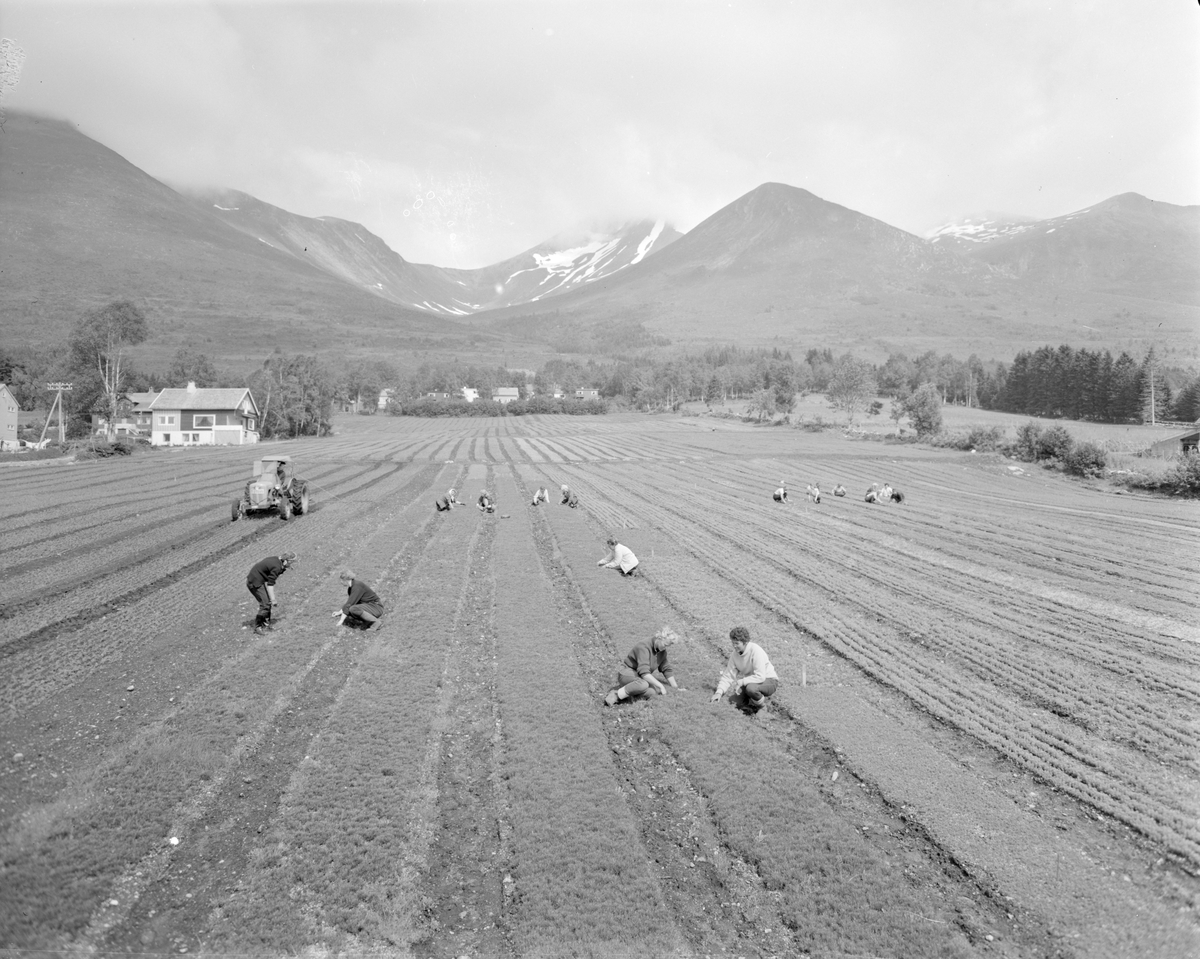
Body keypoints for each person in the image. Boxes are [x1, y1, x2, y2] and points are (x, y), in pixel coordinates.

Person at [710, 626, 779, 714]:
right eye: (733, 643)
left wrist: (742, 682)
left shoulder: (756, 651)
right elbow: (728, 675)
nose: (734, 646)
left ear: (745, 642)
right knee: (734, 701)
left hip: (769, 681)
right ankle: (751, 706)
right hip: (750, 682)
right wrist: (719, 692)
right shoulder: (734, 656)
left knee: (751, 689)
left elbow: (760, 677)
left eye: (737, 643)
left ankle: (762, 707)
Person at [604, 627, 680, 705]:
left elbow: (666, 669)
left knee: (652, 692)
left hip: (638, 675)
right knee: (643, 684)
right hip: (627, 672)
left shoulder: (662, 651)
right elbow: (644, 673)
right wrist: (661, 686)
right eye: (665, 645)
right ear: (659, 638)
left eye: (668, 646)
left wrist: (675, 687)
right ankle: (616, 693)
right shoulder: (644, 646)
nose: (665, 648)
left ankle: (627, 696)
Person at [246, 552, 296, 635]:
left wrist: (286, 567)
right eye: (291, 562)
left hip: (257, 580)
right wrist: (273, 600)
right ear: (286, 561)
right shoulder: (277, 567)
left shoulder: (277, 560)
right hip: (254, 583)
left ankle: (266, 625)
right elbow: (270, 584)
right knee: (265, 604)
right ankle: (258, 627)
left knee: (266, 603)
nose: (292, 563)